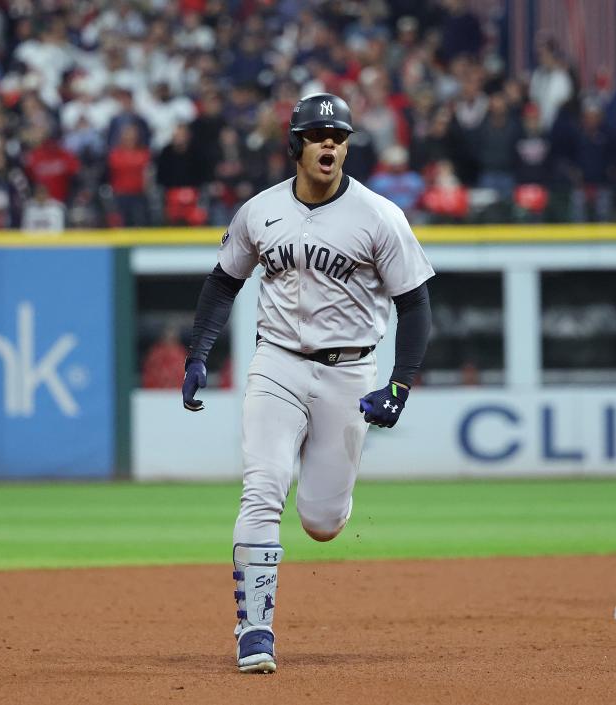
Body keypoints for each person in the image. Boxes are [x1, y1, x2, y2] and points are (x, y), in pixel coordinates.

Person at [180, 92, 434, 673]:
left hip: (350, 370)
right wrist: (198, 353)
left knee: (321, 521)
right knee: (262, 484)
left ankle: (329, 506)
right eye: (319, 134)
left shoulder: (379, 216)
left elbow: (416, 307)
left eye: (339, 136)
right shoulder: (260, 211)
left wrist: (400, 384)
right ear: (295, 143)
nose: (330, 144)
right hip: (278, 362)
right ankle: (255, 631)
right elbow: (223, 283)